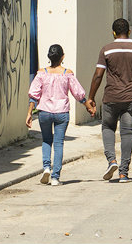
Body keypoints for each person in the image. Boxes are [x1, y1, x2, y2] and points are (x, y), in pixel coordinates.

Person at [86, 18, 132, 183]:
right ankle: (124, 173)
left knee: (108, 127)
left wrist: (91, 97)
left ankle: (111, 161)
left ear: (113, 32)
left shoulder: (107, 50)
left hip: (111, 98)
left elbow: (98, 75)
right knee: (127, 133)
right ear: (129, 32)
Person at [26, 44, 88, 186]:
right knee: (59, 144)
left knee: (46, 140)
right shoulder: (67, 73)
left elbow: (34, 95)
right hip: (61, 113)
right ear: (62, 57)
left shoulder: (41, 73)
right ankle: (55, 177)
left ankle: (46, 167)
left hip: (45, 112)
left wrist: (29, 113)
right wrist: (88, 106)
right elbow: (78, 94)